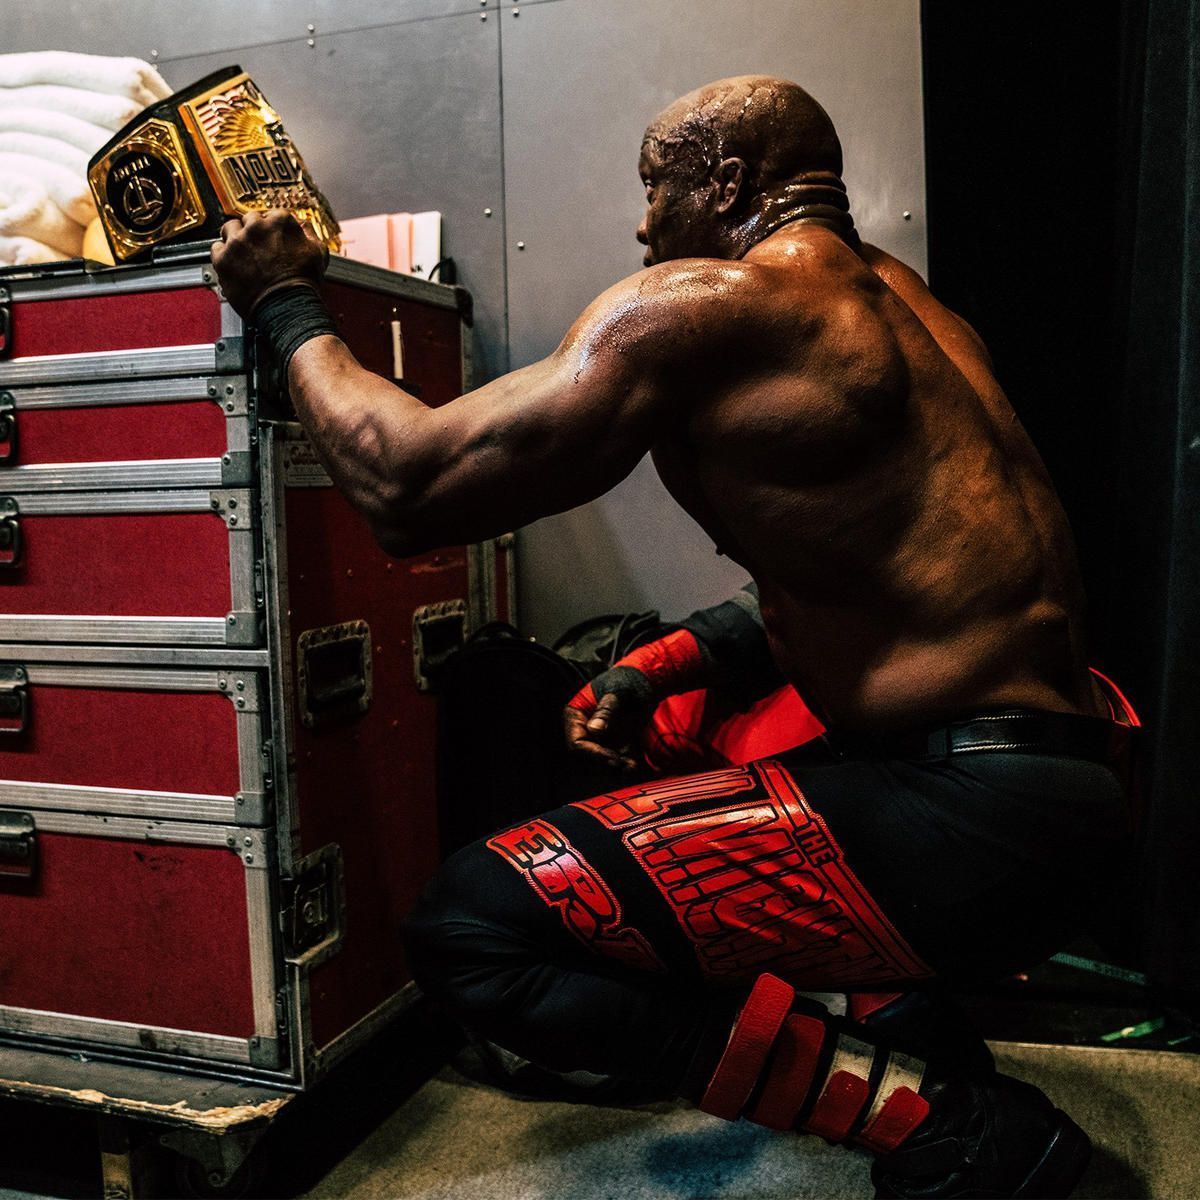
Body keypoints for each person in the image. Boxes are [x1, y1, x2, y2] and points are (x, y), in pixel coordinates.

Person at [211, 75, 1139, 1199]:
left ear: (729, 184)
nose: (644, 223)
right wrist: (670, 662)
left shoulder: (702, 306)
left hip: (962, 819)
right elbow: (883, 576)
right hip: (1069, 791)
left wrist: (287, 303)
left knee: (470, 928)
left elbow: (407, 486)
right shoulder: (926, 317)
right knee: (751, 778)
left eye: (656, 190)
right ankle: (929, 1052)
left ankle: (935, 1117)